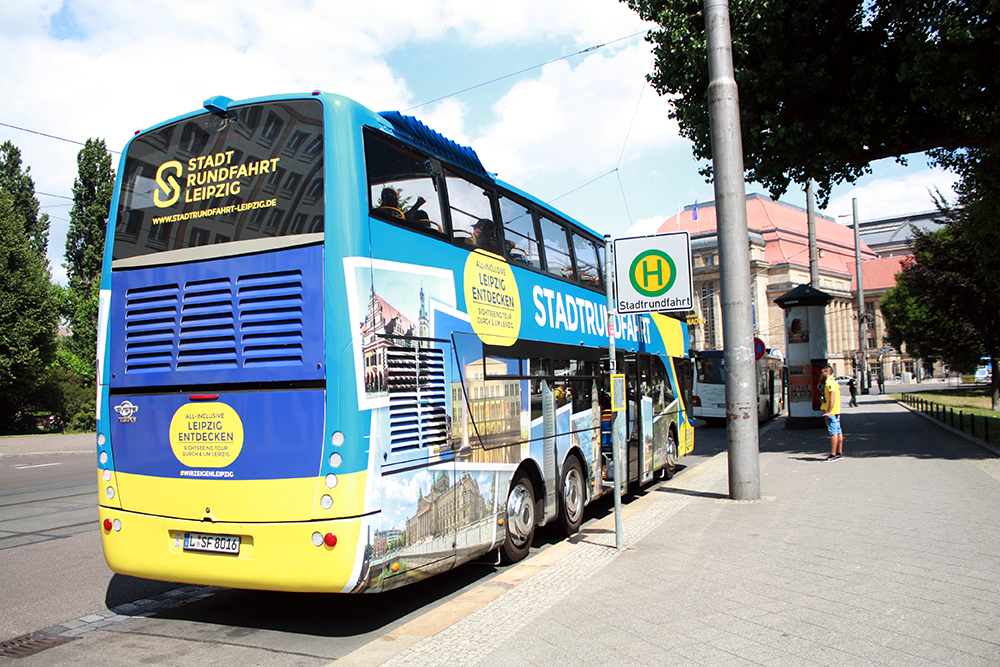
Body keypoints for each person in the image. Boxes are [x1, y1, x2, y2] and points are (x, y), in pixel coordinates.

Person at [820, 365, 843, 461]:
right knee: (838, 431)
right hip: (836, 410)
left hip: (832, 412)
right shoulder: (835, 382)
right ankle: (839, 452)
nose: (821, 374)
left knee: (833, 432)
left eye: (822, 372)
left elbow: (832, 397)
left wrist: (829, 411)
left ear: (827, 372)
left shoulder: (829, 383)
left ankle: (833, 454)